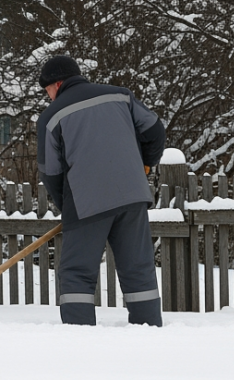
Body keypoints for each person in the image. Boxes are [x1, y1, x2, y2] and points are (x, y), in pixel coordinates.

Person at [36, 54, 165, 326]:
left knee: (77, 272)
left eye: (47, 90)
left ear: (56, 84)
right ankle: (149, 331)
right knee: (138, 269)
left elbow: (51, 172)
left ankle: (78, 335)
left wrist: (68, 206)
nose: (48, 97)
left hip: (86, 203)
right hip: (133, 196)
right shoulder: (120, 96)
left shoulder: (51, 116)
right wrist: (145, 164)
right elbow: (155, 130)